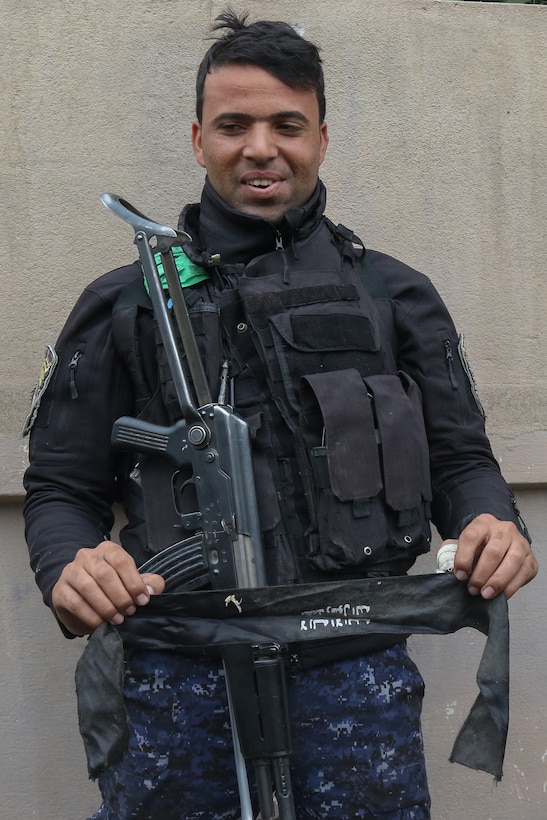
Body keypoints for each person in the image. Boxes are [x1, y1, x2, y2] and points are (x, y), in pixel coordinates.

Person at [23, 10, 537, 820]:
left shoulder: (392, 295)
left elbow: (462, 462)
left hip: (354, 681)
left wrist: (493, 525)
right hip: (175, 684)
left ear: (321, 139)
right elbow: (59, 486)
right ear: (199, 140)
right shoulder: (125, 303)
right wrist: (70, 567)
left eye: (286, 125)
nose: (260, 148)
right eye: (233, 125)